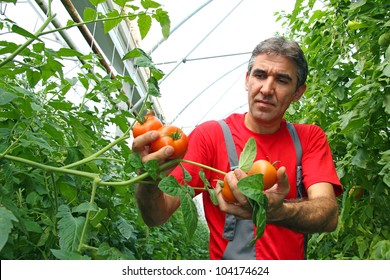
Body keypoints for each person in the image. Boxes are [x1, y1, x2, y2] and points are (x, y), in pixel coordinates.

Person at [133, 36, 342, 260]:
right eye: (260, 75)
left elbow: (328, 215)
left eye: (282, 80)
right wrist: (149, 178)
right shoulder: (210, 136)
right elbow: (156, 215)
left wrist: (281, 211)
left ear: (298, 93)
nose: (267, 89)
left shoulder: (309, 138)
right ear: (247, 80)